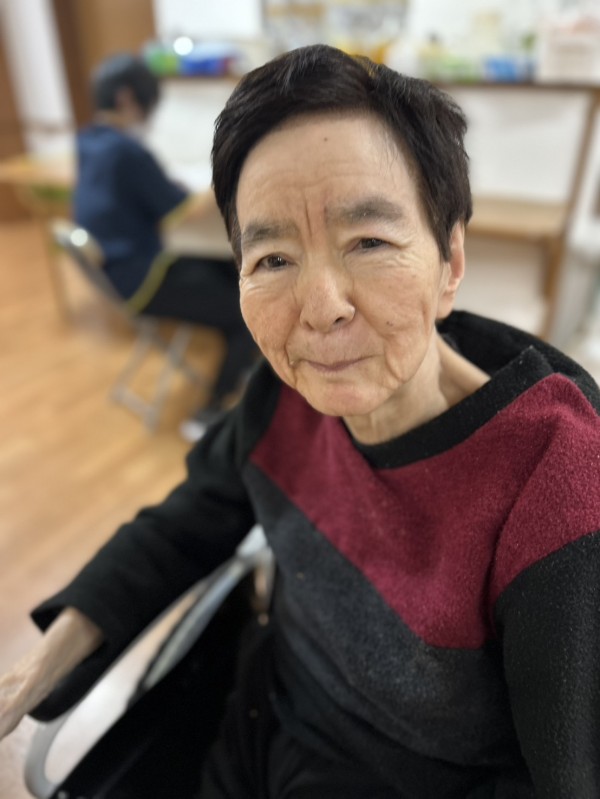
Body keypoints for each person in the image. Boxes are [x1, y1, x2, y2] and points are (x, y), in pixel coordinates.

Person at [2, 44, 600, 798]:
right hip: (254, 731)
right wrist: (25, 678)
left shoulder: (558, 492)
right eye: (274, 259)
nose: (321, 311)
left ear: (450, 262)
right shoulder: (283, 396)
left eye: (369, 243)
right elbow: (182, 525)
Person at [74, 52, 256, 430]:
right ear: (127, 98)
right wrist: (225, 178)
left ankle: (249, 376)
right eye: (150, 103)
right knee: (248, 312)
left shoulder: (89, 141)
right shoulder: (128, 151)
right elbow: (179, 209)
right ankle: (210, 412)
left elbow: (139, 194)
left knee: (236, 273)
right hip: (145, 278)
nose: (151, 114)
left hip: (118, 273)